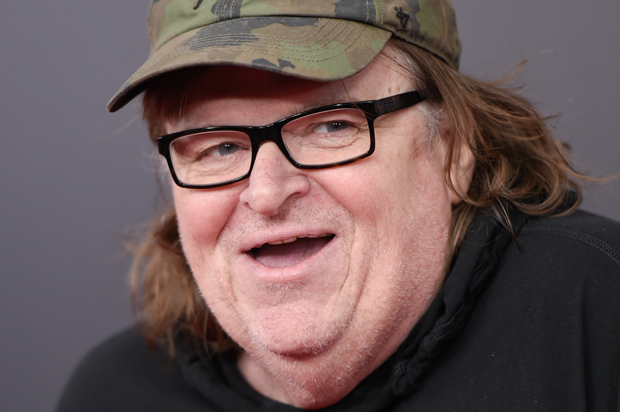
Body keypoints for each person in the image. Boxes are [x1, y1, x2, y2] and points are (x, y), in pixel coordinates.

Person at [56, 1, 620, 411]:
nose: (267, 193)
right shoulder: (114, 394)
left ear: (452, 151)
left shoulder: (595, 315)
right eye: (219, 147)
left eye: (331, 126)